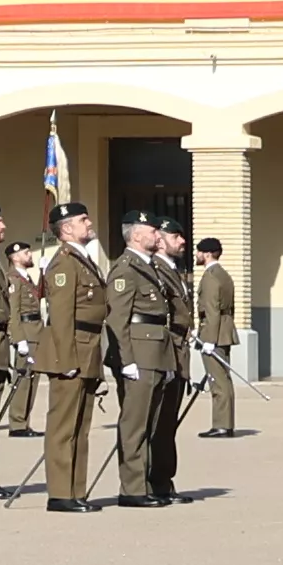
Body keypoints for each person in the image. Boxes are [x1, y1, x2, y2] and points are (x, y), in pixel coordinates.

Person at [33, 203, 107, 512]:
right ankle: (61, 493)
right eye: (82, 220)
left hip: (88, 344)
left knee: (81, 425)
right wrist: (66, 360)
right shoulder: (64, 263)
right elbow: (61, 316)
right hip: (72, 347)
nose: (89, 223)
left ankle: (76, 490)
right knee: (64, 425)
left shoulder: (84, 259)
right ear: (66, 229)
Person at [104, 212, 182, 506]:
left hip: (158, 353)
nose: (157, 236)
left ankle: (149, 483)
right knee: (135, 424)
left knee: (153, 424)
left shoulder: (150, 267)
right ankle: (133, 488)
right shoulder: (126, 268)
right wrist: (126, 360)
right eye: (151, 232)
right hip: (139, 353)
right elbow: (118, 319)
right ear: (136, 235)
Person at [190, 237, 241, 435]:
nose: (197, 255)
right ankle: (225, 423)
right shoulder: (224, 275)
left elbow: (211, 310)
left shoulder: (210, 277)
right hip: (223, 330)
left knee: (217, 380)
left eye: (199, 252)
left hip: (214, 333)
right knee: (224, 379)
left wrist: (209, 339)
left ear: (207, 253)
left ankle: (222, 425)